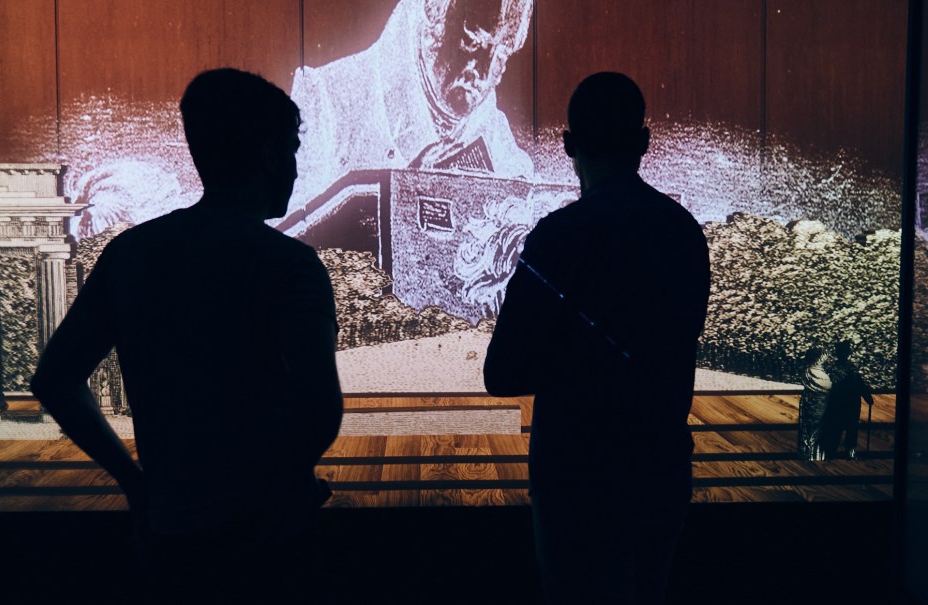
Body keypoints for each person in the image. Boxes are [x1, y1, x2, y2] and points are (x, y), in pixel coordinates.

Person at [30, 68, 343, 603]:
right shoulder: (289, 265)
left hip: (172, 528)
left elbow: (56, 379)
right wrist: (291, 484)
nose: (295, 165)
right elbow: (320, 406)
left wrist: (135, 484)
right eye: (291, 149)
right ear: (268, 154)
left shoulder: (132, 254)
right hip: (271, 532)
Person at [484, 72, 711, 604]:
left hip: (574, 478)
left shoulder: (558, 238)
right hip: (659, 469)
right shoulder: (683, 232)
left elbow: (503, 374)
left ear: (568, 145)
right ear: (643, 143)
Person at [281, 0, 536, 234]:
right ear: (430, 16)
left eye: (502, 53)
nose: (483, 70)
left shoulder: (500, 145)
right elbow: (285, 248)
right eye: (472, 41)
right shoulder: (327, 98)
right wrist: (405, 195)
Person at [817, 341, 875, 460]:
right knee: (851, 431)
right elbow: (860, 384)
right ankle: (850, 454)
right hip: (851, 406)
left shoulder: (832, 369)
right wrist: (868, 397)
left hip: (836, 406)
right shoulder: (851, 369)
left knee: (835, 430)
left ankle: (829, 454)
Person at [797, 347, 833, 461]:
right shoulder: (816, 373)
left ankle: (807, 454)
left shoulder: (808, 372)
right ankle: (813, 456)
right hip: (818, 407)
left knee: (809, 432)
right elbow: (828, 387)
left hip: (810, 405)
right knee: (814, 431)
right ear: (819, 359)